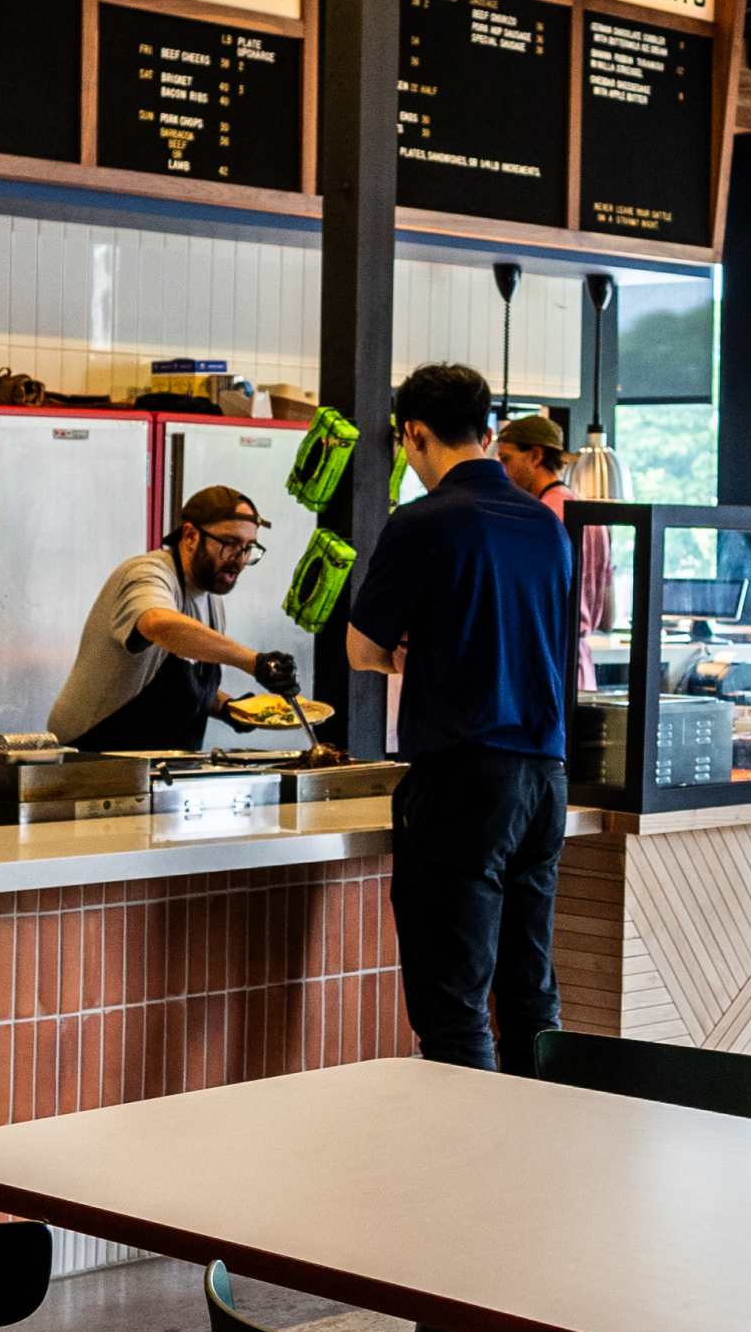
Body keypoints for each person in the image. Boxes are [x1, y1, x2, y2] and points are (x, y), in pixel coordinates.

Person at [347, 362, 576, 1070]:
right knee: (530, 995)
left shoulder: (422, 521)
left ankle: (470, 1173)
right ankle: (537, 1158)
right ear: (488, 431)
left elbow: (362, 647)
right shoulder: (546, 525)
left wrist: (405, 654)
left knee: (454, 1011)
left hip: (465, 780)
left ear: (414, 435)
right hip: (545, 779)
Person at [43, 483, 298, 753]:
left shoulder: (211, 595)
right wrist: (253, 662)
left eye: (248, 548)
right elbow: (159, 624)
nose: (239, 560)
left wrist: (226, 707)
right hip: (93, 758)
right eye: (229, 544)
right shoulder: (146, 573)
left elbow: (175, 691)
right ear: (189, 536)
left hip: (161, 764)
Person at [495, 411, 614, 692]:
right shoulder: (590, 515)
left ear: (535, 456)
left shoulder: (540, 517)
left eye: (506, 459)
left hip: (544, 664)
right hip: (581, 667)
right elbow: (609, 614)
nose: (502, 471)